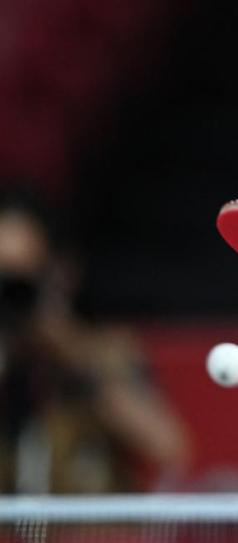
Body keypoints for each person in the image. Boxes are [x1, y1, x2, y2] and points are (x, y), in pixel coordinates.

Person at [0, 188, 189, 493]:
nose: (11, 298)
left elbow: (166, 446)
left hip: (91, 537)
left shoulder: (106, 350)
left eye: (22, 284)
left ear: (59, 273)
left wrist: (68, 351)